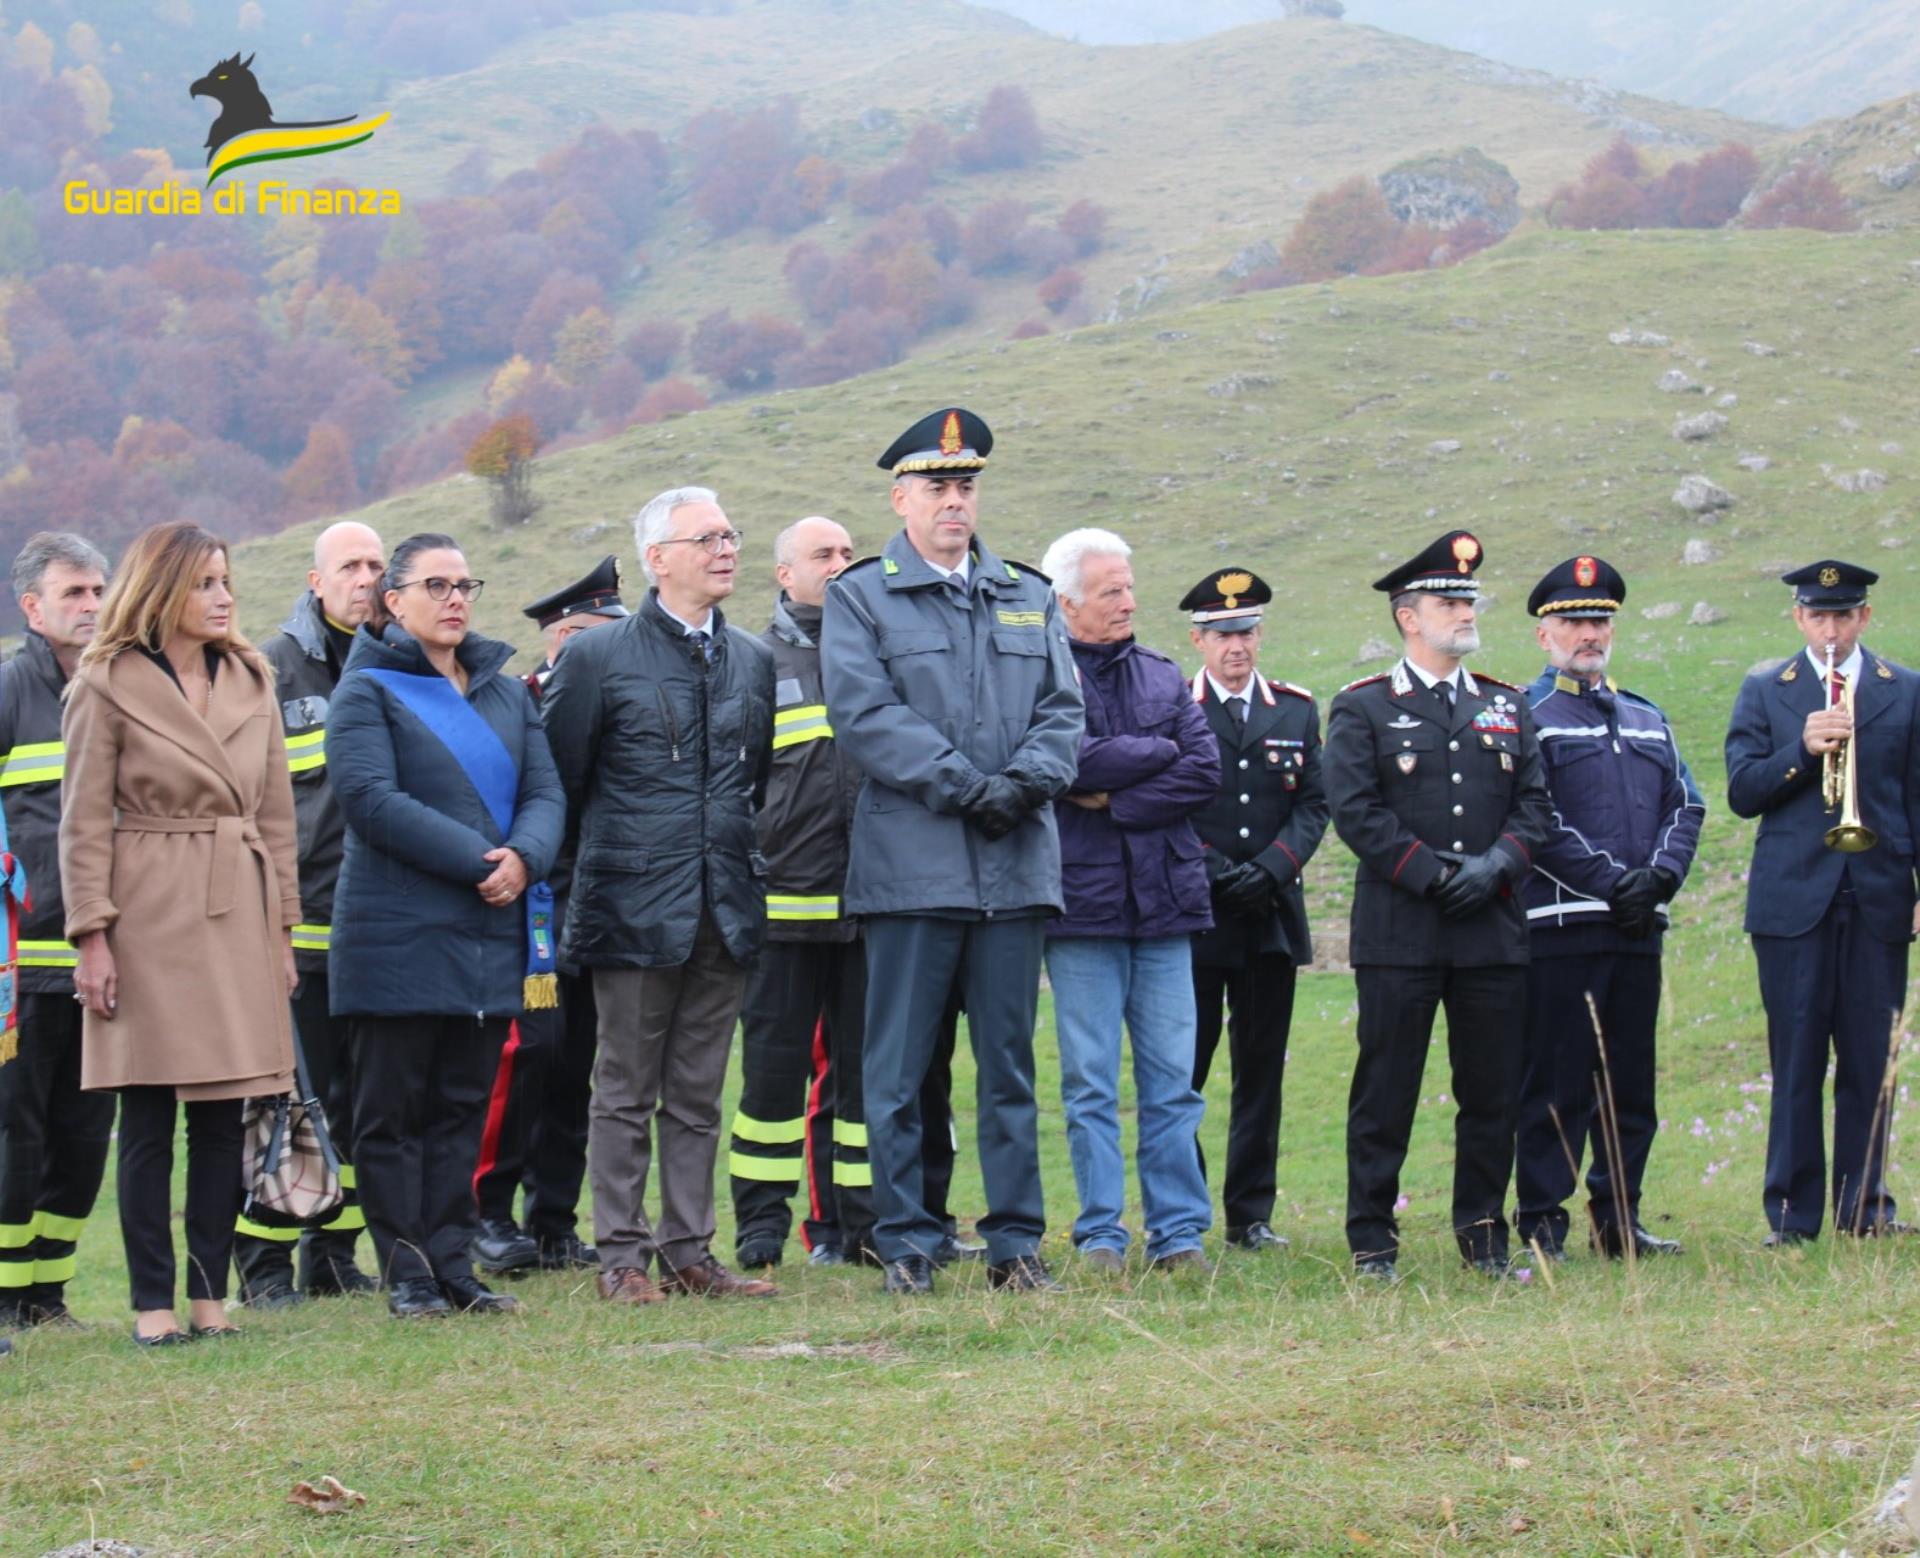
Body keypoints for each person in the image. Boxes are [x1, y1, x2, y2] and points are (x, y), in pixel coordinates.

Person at [822, 407, 1084, 1296]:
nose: (953, 501)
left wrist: (1022, 784)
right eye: (936, 486)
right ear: (901, 497)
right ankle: (907, 1242)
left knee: (1008, 1071)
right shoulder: (861, 597)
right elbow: (864, 715)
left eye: (965, 486)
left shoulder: (1029, 593)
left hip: (1013, 873)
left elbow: (1063, 712)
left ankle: (1015, 1244)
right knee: (897, 1073)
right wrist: (965, 787)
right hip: (911, 871)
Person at [60, 521, 301, 1346]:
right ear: (162, 589)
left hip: (238, 903)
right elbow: (83, 820)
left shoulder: (250, 676)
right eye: (205, 583)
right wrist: (91, 934)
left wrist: (283, 933)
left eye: (227, 580)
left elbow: (275, 814)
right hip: (147, 908)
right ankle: (153, 1305)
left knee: (224, 1114)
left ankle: (209, 1296)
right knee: (150, 1109)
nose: (224, 597)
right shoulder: (105, 681)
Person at [542, 488, 779, 1305]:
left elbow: (757, 779)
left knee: (698, 1091)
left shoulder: (752, 657)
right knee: (624, 1086)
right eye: (706, 537)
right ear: (658, 558)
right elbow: (563, 785)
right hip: (630, 907)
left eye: (730, 532)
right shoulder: (596, 658)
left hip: (726, 904)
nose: (726, 549)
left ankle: (689, 1252)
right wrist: (602, 879)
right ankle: (620, 1257)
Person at [328, 533, 565, 1318]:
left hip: (484, 932)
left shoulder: (501, 690)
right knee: (393, 1113)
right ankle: (407, 1272)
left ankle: (454, 1265)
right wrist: (481, 860)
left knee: (462, 1104)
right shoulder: (366, 693)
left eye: (466, 583)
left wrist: (525, 857)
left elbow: (546, 792)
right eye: (437, 584)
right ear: (393, 603)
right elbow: (371, 801)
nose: (457, 598)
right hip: (398, 934)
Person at [1323, 530, 1551, 1281]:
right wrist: (1430, 874)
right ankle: (1372, 1243)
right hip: (1402, 934)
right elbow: (1356, 812)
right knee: (1386, 1092)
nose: (1464, 610)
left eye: (1468, 599)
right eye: (1448, 601)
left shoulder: (1506, 703)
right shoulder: (1362, 708)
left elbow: (1534, 809)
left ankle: (1484, 1237)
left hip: (1490, 930)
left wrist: (1495, 868)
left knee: (1490, 1096)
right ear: (1407, 618)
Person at [1039, 528, 1218, 1273]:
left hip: (1167, 906)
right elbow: (1058, 763)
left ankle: (1178, 1234)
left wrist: (1111, 799)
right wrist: (1153, 756)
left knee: (1172, 1083)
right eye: (1111, 590)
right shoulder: (1037, 676)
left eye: (1128, 586)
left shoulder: (1162, 673)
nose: (1129, 602)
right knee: (1088, 1082)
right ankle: (1102, 1234)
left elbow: (1203, 768)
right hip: (1083, 911)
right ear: (1066, 601)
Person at [1725, 559, 1920, 1245]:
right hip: (1792, 903)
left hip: (1880, 899)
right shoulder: (1765, 690)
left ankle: (1866, 1209)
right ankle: (1793, 1217)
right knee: (1799, 1058)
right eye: (1819, 615)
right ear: (1799, 618)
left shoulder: (1906, 689)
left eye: (1845, 615)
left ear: (1864, 617)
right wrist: (1802, 750)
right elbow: (1743, 792)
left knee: (1871, 1061)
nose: (1832, 628)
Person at [1518, 557, 1703, 1260]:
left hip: (1636, 928)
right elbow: (1537, 818)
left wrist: (1657, 881)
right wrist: (1612, 883)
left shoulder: (1648, 717)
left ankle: (1618, 1221)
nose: (1588, 634)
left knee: (1631, 1087)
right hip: (1563, 928)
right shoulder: (1530, 718)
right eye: (1573, 622)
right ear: (1545, 634)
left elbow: (1687, 802)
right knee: (1557, 1084)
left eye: (1599, 621)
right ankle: (1541, 1220)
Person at [232, 520, 384, 1308]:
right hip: (298, 930)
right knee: (287, 1102)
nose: (366, 578)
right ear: (315, 581)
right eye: (350, 566)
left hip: (375, 930)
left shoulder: (399, 660)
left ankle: (333, 1255)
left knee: (359, 1105)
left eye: (376, 565)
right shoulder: (270, 669)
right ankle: (260, 1266)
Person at [725, 516, 875, 1270]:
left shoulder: (878, 655)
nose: (842, 564)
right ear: (785, 574)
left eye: (849, 552)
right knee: (771, 1082)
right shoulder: (752, 662)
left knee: (861, 1085)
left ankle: (856, 1226)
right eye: (825, 554)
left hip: (867, 915)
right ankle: (759, 1225)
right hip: (780, 917)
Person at [471, 557, 627, 1277]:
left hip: (595, 913)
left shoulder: (617, 697)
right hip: (529, 913)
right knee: (520, 1062)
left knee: (574, 1070)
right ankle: (488, 1215)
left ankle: (554, 1220)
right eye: (601, 635)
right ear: (563, 639)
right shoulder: (509, 703)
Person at [1180, 566, 1328, 1255]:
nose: (1234, 646)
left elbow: (1313, 804)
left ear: (1259, 634)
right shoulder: (1175, 707)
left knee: (1260, 1070)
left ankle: (1251, 1215)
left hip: (1270, 911)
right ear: (1197, 640)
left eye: (1243, 631)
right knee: (1186, 1070)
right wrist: (1215, 872)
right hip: (1199, 915)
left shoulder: (1295, 710)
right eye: (1219, 634)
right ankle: (1185, 1209)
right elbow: (1169, 807)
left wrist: (1271, 868)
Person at [0, 533, 114, 1330]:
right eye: (74, 592)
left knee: (84, 1133)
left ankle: (50, 1294)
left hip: (103, 962)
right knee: (17, 1132)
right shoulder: (8, 691)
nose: (92, 605)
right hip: (20, 969)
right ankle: (6, 1297)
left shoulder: (117, 691)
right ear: (32, 608)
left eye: (99, 589)